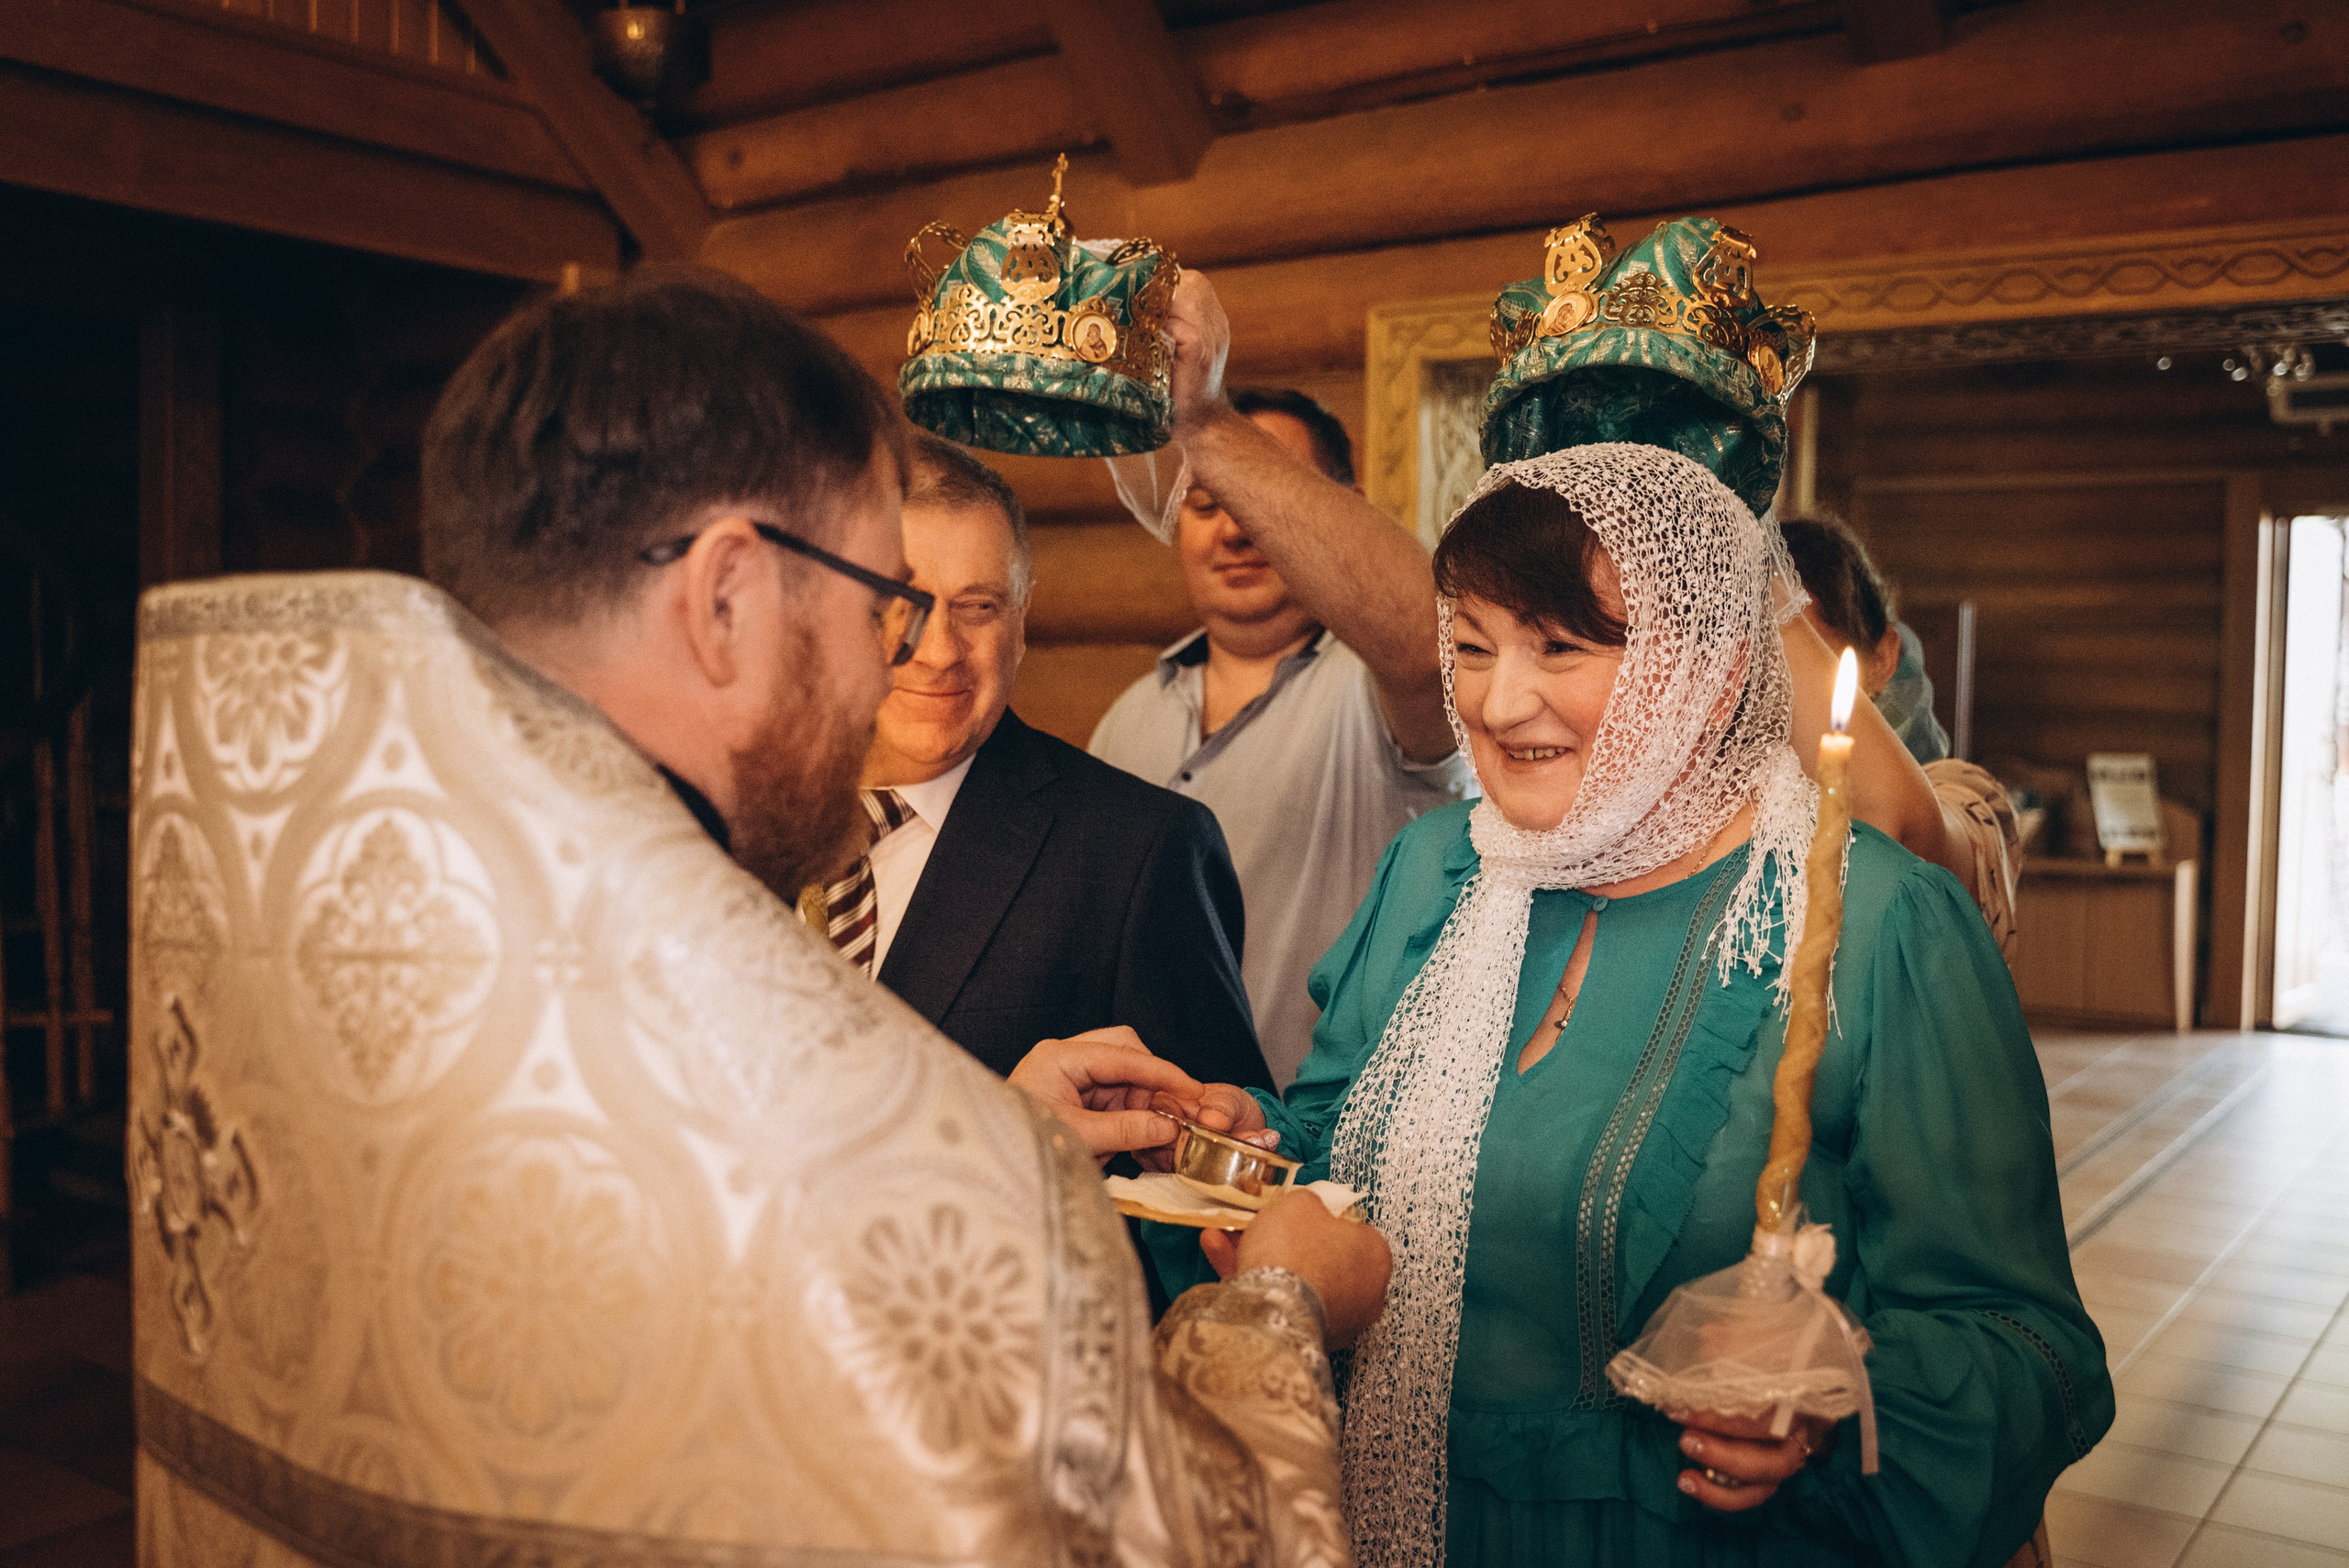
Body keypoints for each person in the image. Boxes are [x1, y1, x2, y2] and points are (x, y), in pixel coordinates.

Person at [126, 268, 1388, 1565]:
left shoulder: (296, 912)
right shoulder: (935, 1171)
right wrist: (1278, 1305)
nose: (899, 661)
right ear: (728, 599)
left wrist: (1003, 1128)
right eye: (873, 601)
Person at [1156, 445, 2106, 1568]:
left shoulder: (1869, 921)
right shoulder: (1433, 873)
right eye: (1469, 646)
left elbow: (2025, 1341)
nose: (1500, 702)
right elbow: (1335, 1142)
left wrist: (1835, 1395)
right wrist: (1247, 1146)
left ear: (1707, 669)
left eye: (1559, 647)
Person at [1091, 294, 1475, 1088]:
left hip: (1320, 1159)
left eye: (1261, 503)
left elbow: (1434, 645)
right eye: (1206, 502)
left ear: (1338, 514)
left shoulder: (1375, 694)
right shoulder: (1130, 713)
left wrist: (1202, 422)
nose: (1233, 529)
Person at [830, 429, 1271, 1096]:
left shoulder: (1139, 854)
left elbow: (1205, 1172)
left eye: (978, 608)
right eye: (904, 605)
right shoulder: (735, 822)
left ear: (1022, 619)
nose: (941, 650)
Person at [1779, 513, 2021, 958]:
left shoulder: (1966, 791)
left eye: (1804, 662)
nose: (1778, 701)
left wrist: (1768, 587)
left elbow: (1897, 826)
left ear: (1883, 659)